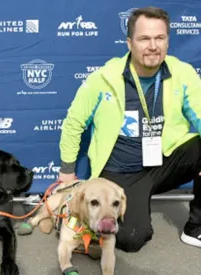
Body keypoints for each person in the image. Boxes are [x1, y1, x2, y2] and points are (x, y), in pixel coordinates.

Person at [58, 6, 201, 252]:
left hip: (163, 163)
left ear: (168, 41)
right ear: (129, 42)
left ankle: (196, 227)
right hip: (121, 174)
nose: (153, 46)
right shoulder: (103, 78)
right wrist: (68, 173)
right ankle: (94, 225)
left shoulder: (183, 73)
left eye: (160, 38)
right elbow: (74, 123)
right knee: (131, 240)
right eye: (144, 38)